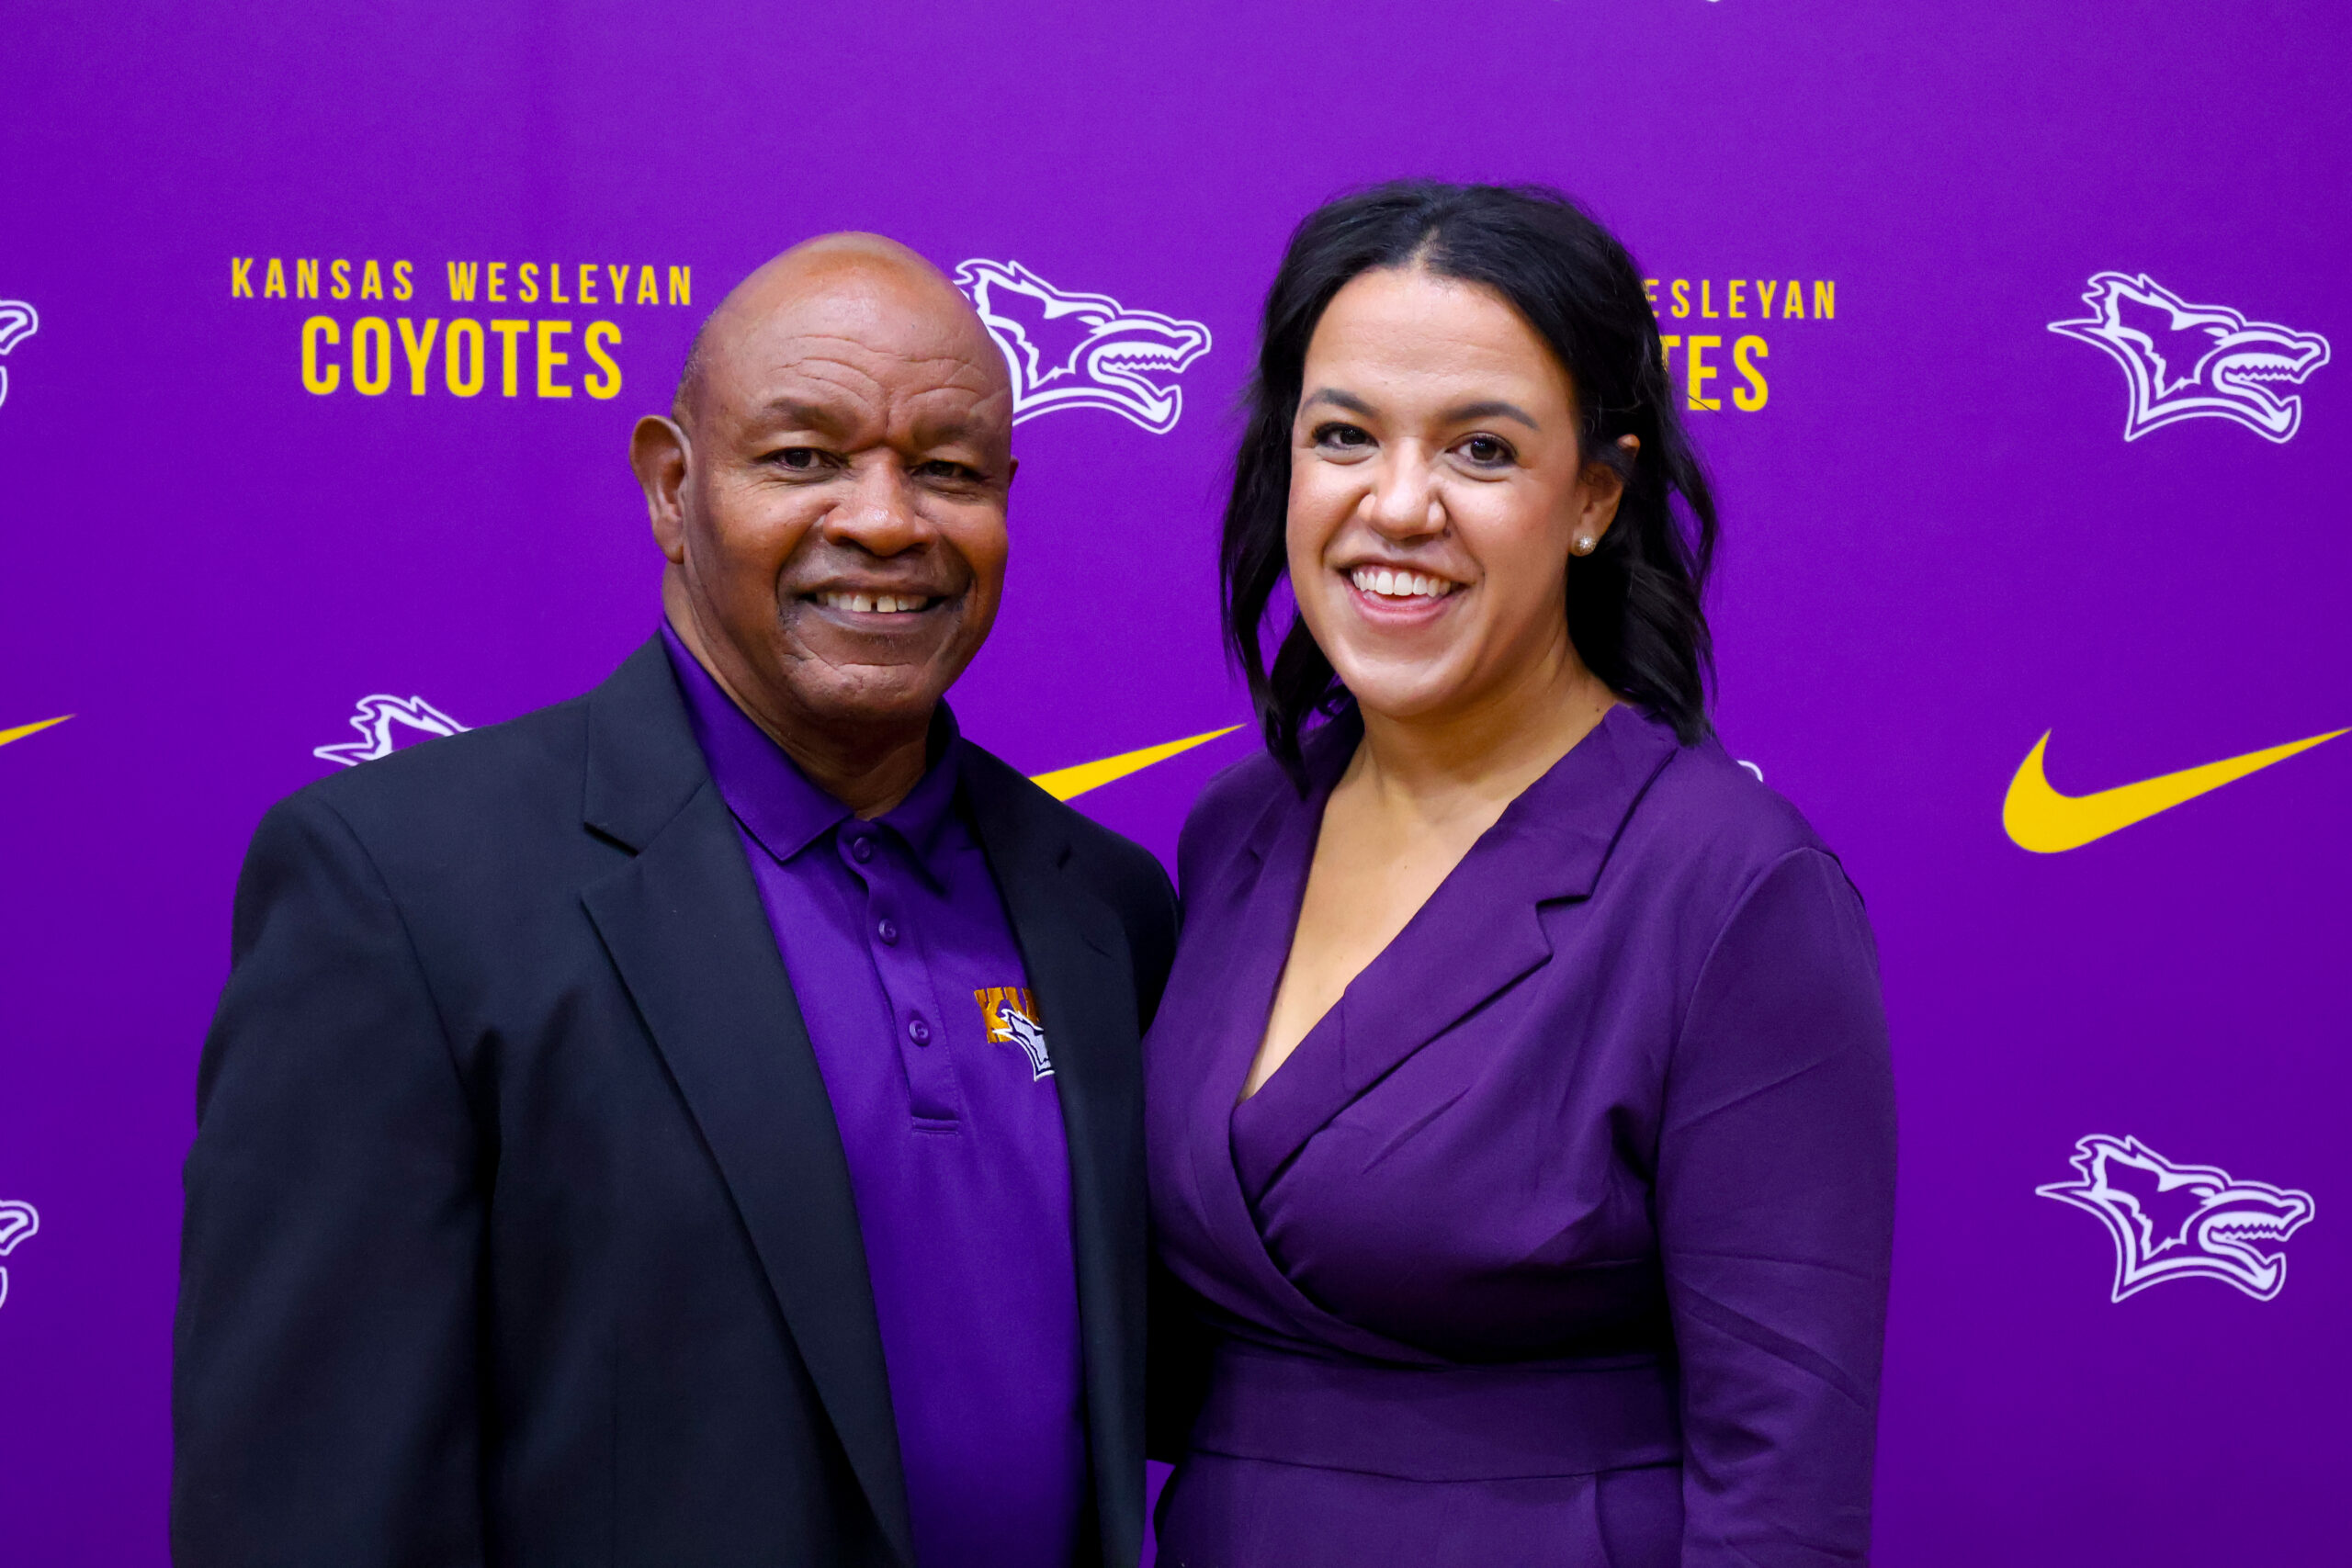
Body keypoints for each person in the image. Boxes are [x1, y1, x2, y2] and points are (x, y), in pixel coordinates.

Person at [174, 234, 1177, 1568]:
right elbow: (312, 1506)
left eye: (948, 470)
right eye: (804, 458)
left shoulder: (1106, 907)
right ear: (671, 487)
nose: (887, 522)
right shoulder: (401, 892)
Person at [1144, 183, 1897, 1567]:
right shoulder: (1237, 831)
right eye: (1344, 436)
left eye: (1481, 449)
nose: (1398, 505)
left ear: (1593, 499)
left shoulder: (1727, 886)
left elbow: (1782, 1487)